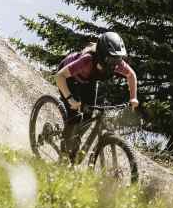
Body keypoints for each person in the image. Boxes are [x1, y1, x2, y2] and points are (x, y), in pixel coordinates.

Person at [54, 31, 140, 161]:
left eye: (118, 58)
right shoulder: (87, 60)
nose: (116, 63)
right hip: (69, 78)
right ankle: (64, 154)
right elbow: (59, 76)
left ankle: (75, 141)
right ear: (101, 55)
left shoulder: (116, 63)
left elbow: (131, 75)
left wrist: (133, 97)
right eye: (112, 59)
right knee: (74, 117)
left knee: (87, 118)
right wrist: (70, 99)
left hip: (88, 81)